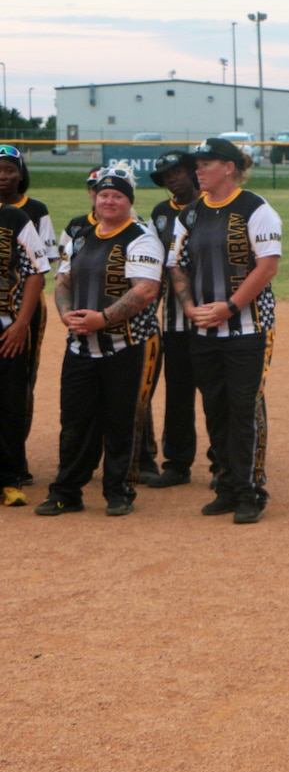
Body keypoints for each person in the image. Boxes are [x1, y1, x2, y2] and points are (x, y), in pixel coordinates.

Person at [33, 168, 164, 517]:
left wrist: (103, 319)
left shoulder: (141, 238)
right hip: (79, 348)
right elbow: (63, 280)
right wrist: (66, 313)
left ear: (128, 202)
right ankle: (66, 491)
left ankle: (118, 491)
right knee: (74, 420)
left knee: (119, 419)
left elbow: (146, 290)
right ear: (95, 197)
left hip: (123, 347)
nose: (109, 200)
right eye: (104, 194)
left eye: (117, 196)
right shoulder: (80, 235)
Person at [170, 136, 282, 524]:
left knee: (244, 409)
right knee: (215, 408)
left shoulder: (256, 209)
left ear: (229, 167)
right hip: (203, 331)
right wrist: (189, 308)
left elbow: (267, 266)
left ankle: (251, 490)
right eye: (197, 164)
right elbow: (178, 265)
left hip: (249, 331)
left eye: (206, 163)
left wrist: (230, 307)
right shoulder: (191, 214)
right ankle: (227, 484)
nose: (197, 170)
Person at [145, 150, 206, 488]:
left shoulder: (213, 206)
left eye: (178, 171)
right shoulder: (161, 213)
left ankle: (223, 464)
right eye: (166, 175)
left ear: (193, 172)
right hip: (175, 319)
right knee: (179, 391)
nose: (172, 179)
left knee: (216, 392)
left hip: (216, 315)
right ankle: (177, 463)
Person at [0, 144, 56, 479]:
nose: (3, 177)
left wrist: (21, 316)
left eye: (9, 170)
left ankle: (13, 462)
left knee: (19, 383)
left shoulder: (30, 210)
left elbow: (42, 263)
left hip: (21, 310)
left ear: (21, 173)